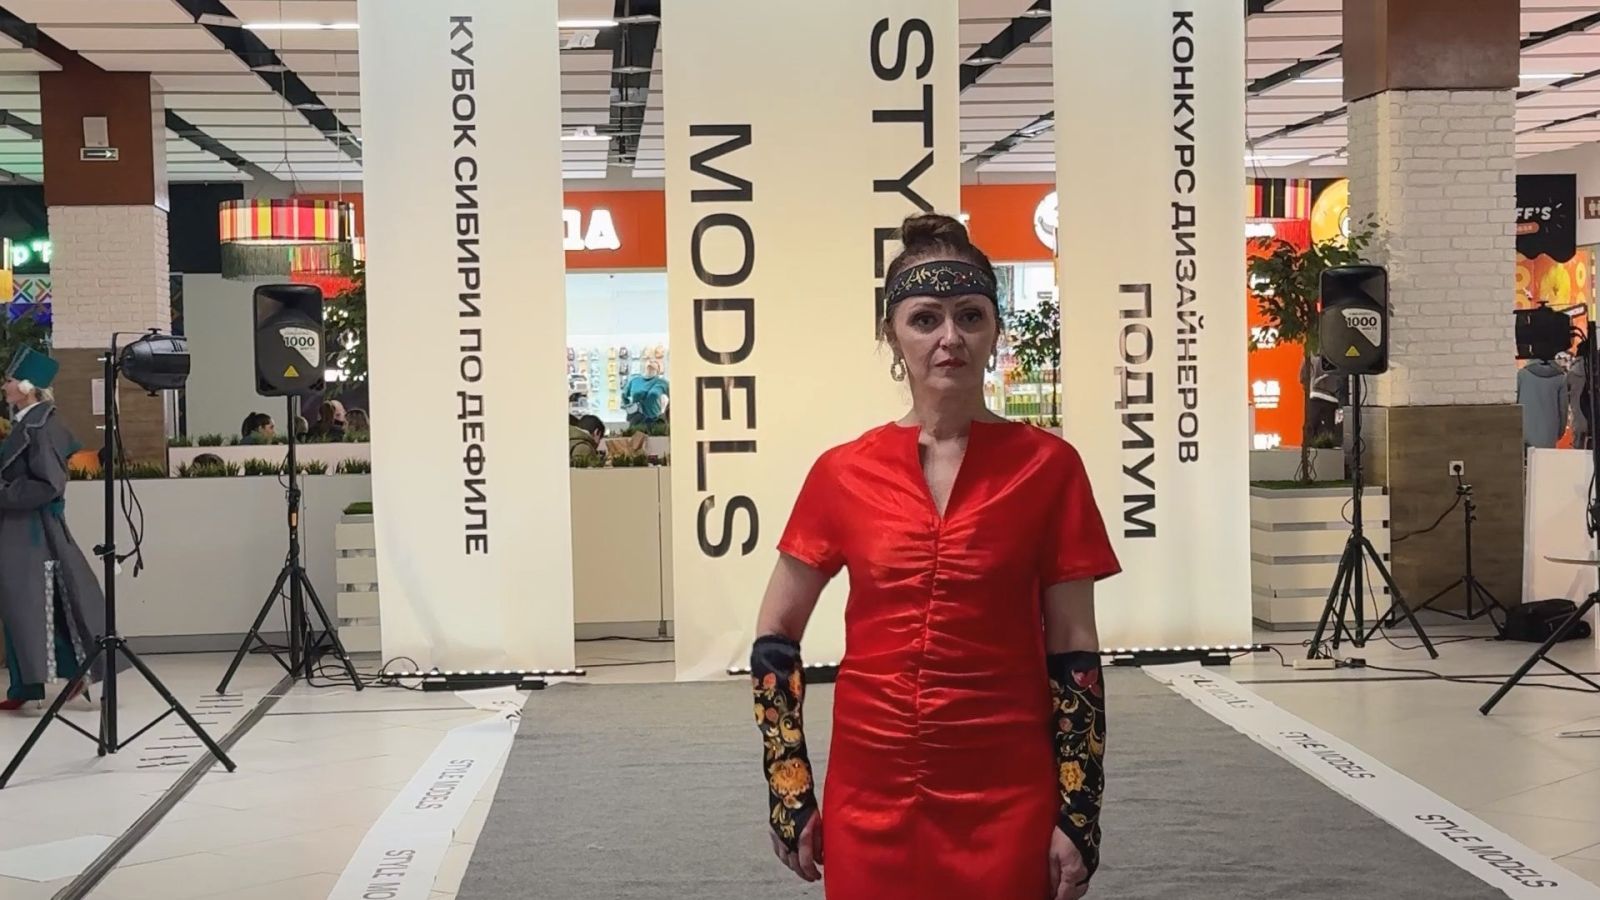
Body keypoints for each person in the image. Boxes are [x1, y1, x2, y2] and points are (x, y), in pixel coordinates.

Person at [750, 214, 1121, 900]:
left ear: (995, 330)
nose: (950, 337)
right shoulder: (842, 473)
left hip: (1008, 786)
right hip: (872, 787)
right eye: (925, 319)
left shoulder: (1050, 468)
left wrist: (1079, 808)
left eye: (970, 316)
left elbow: (1074, 649)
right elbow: (776, 633)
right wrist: (788, 784)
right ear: (891, 335)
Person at [0, 348, 111, 711]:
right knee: (36, 602)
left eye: (10, 380)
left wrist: (4, 493)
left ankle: (51, 678)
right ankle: (32, 683)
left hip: (31, 529)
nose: (5, 386)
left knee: (30, 602)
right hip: (25, 526)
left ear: (28, 386)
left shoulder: (40, 427)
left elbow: (49, 484)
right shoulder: (33, 423)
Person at [1518, 355, 1568, 449]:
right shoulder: (1561, 378)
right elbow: (1563, 409)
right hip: (1550, 434)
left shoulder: (1522, 375)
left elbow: (1515, 404)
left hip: (1524, 433)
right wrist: (1559, 432)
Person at [621, 359, 669, 426]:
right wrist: (629, 407)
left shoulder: (662, 383)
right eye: (650, 361)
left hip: (654, 419)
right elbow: (624, 395)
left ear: (658, 369)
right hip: (636, 419)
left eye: (654, 361)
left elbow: (674, 398)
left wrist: (665, 413)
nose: (651, 361)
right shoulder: (634, 380)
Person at [1568, 337, 1590, 449]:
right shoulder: (1594, 370)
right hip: (1595, 421)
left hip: (1579, 422)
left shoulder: (1572, 373)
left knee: (1580, 452)